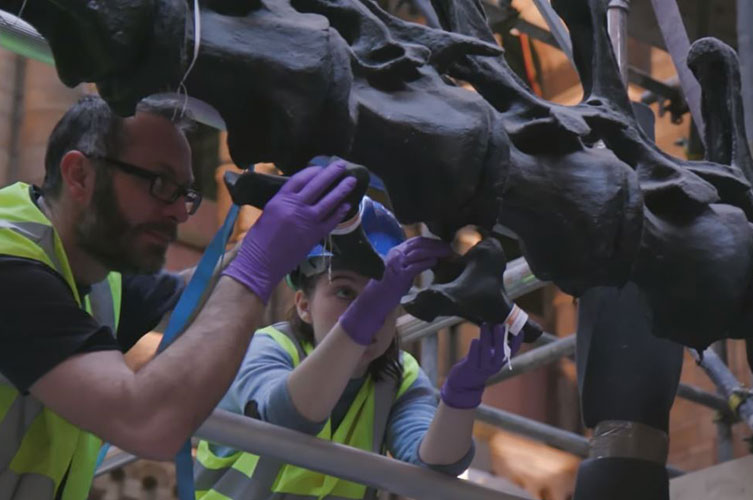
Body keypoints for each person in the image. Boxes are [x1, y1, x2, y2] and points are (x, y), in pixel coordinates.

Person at [0, 94, 356, 499]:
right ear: (79, 174)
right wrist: (260, 262)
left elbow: (193, 298)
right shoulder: (10, 268)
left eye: (185, 193)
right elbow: (146, 422)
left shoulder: (93, 276)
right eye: (160, 184)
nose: (181, 213)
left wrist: (275, 235)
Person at [195, 196, 520, 499]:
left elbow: (433, 468)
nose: (372, 312)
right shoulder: (266, 348)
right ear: (304, 305)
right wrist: (366, 312)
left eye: (383, 297)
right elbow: (287, 417)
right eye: (345, 292)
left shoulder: (400, 375)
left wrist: (460, 398)